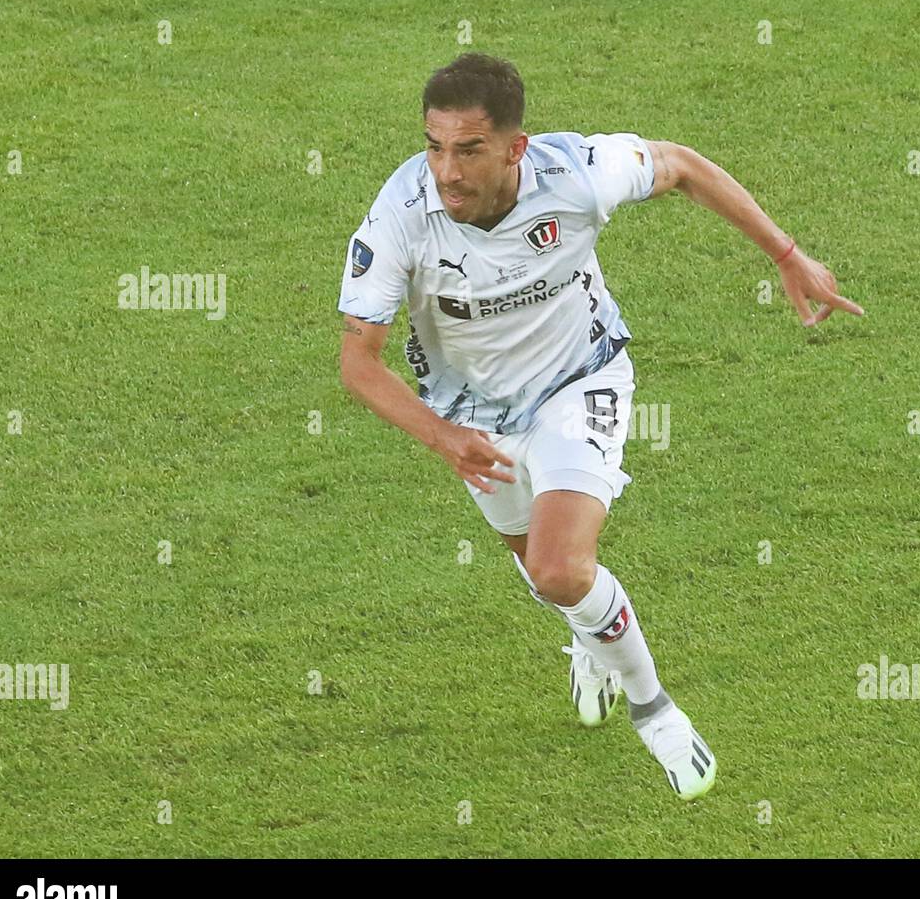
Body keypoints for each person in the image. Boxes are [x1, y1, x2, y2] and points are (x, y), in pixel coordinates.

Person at [338, 52, 863, 801]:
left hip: (579, 380)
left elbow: (679, 165)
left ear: (515, 148)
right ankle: (589, 637)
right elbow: (359, 362)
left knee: (559, 567)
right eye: (434, 145)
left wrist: (786, 253)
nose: (446, 170)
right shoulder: (401, 216)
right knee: (543, 573)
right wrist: (443, 438)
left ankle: (656, 711)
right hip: (473, 418)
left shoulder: (574, 174)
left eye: (468, 149)